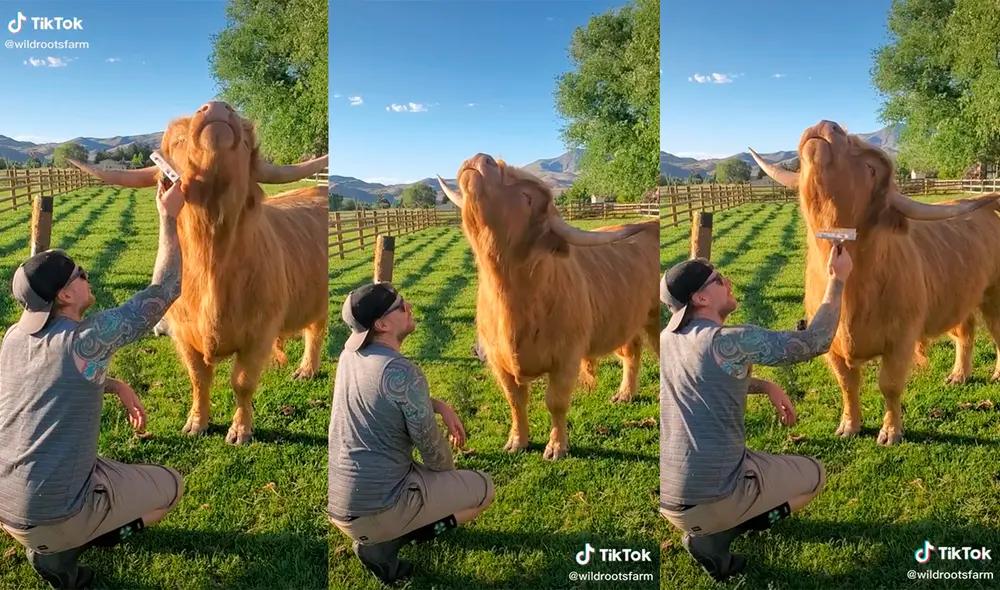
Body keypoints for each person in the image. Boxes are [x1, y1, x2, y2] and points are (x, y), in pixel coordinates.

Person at [0, 178, 187, 589]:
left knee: (95, 469)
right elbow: (167, 290)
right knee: (171, 488)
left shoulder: (13, 338)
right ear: (66, 295)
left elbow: (52, 375)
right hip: (54, 514)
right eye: (80, 273)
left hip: (8, 504)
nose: (87, 277)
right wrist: (168, 217)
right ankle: (73, 546)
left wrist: (115, 384)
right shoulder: (87, 339)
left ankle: (56, 539)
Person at [659, 246, 852, 582]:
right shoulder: (730, 340)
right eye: (719, 279)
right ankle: (720, 535)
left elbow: (705, 377)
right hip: (714, 496)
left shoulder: (667, 340)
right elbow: (816, 341)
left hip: (672, 499)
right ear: (701, 298)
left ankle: (712, 525)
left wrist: (765, 386)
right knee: (815, 476)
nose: (728, 281)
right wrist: (837, 279)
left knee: (748, 461)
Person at [328, 282, 495, 584]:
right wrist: (450, 480)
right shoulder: (402, 371)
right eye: (402, 306)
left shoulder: (349, 358)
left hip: (342, 506)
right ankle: (390, 542)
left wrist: (438, 405)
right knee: (482, 491)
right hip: (379, 508)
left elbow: (384, 399)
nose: (410, 308)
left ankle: (385, 534)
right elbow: (435, 455)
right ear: (382, 324)